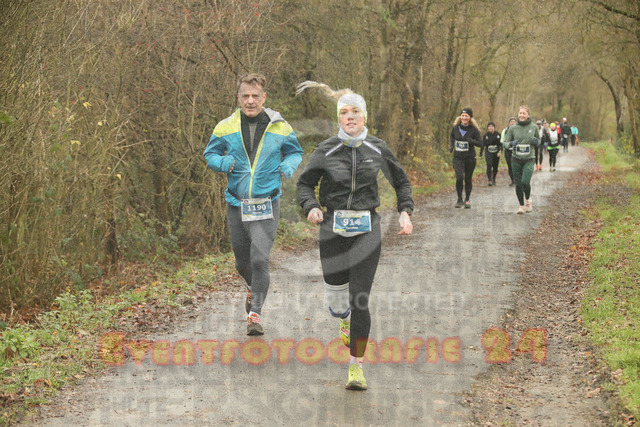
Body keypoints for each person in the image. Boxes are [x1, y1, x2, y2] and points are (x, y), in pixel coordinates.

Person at [296, 81, 414, 391]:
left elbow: (401, 182)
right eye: (344, 112)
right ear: (339, 118)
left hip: (366, 229)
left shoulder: (377, 147)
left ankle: (356, 366)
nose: (350, 117)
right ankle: (343, 317)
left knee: (360, 298)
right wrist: (311, 207)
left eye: (355, 112)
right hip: (332, 229)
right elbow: (305, 184)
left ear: (364, 117)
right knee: (339, 302)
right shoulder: (326, 149)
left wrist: (405, 211)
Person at [204, 73, 304, 336]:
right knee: (242, 263)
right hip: (236, 203)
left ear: (264, 97)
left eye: (255, 96)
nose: (250, 101)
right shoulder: (225, 126)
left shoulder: (279, 126)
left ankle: (255, 315)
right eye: (245, 96)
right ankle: (252, 286)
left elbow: (295, 151)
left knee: (260, 259)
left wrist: (288, 165)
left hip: (267, 202)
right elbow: (210, 153)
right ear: (239, 98)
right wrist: (222, 162)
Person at [502, 105, 540, 214]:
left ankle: (528, 199)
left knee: (525, 182)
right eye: (520, 113)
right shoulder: (513, 128)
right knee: (518, 184)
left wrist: (536, 142)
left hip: (529, 159)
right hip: (516, 159)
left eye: (524, 113)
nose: (521, 115)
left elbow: (539, 140)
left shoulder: (534, 127)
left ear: (528, 115)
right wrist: (511, 143)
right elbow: (505, 143)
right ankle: (521, 206)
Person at [449, 108, 482, 208]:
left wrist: (471, 141)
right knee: (459, 177)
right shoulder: (455, 128)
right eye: (462, 115)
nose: (464, 118)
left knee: (468, 179)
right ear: (460, 117)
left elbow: (480, 143)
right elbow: (452, 137)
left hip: (470, 158)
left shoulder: (474, 130)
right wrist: (451, 146)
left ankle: (467, 199)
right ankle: (459, 199)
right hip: (458, 158)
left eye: (466, 116)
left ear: (470, 117)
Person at [480, 121, 501, 186]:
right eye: (489, 126)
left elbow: (501, 144)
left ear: (494, 127)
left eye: (492, 126)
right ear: (488, 128)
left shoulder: (498, 134)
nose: (490, 128)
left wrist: (500, 151)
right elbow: (483, 144)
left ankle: (493, 178)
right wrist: (481, 153)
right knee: (489, 165)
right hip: (488, 152)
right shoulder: (486, 135)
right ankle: (489, 180)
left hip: (496, 152)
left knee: (495, 166)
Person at [501, 117, 517, 186]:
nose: (512, 123)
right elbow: (502, 140)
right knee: (510, 166)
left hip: (516, 151)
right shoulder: (505, 130)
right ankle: (513, 180)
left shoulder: (519, 130)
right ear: (509, 123)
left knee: (516, 165)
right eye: (511, 122)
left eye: (514, 122)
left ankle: (517, 179)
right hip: (508, 150)